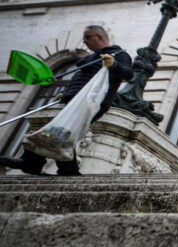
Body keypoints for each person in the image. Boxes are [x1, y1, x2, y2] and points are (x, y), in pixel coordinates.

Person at [0, 25, 133, 175]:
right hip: (73, 100)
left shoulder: (119, 54)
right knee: (59, 131)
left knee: (61, 131)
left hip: (92, 102)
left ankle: (39, 163)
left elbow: (128, 74)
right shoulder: (90, 58)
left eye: (87, 38)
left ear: (100, 37)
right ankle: (51, 166)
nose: (84, 42)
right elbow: (80, 78)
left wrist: (113, 64)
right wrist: (65, 93)